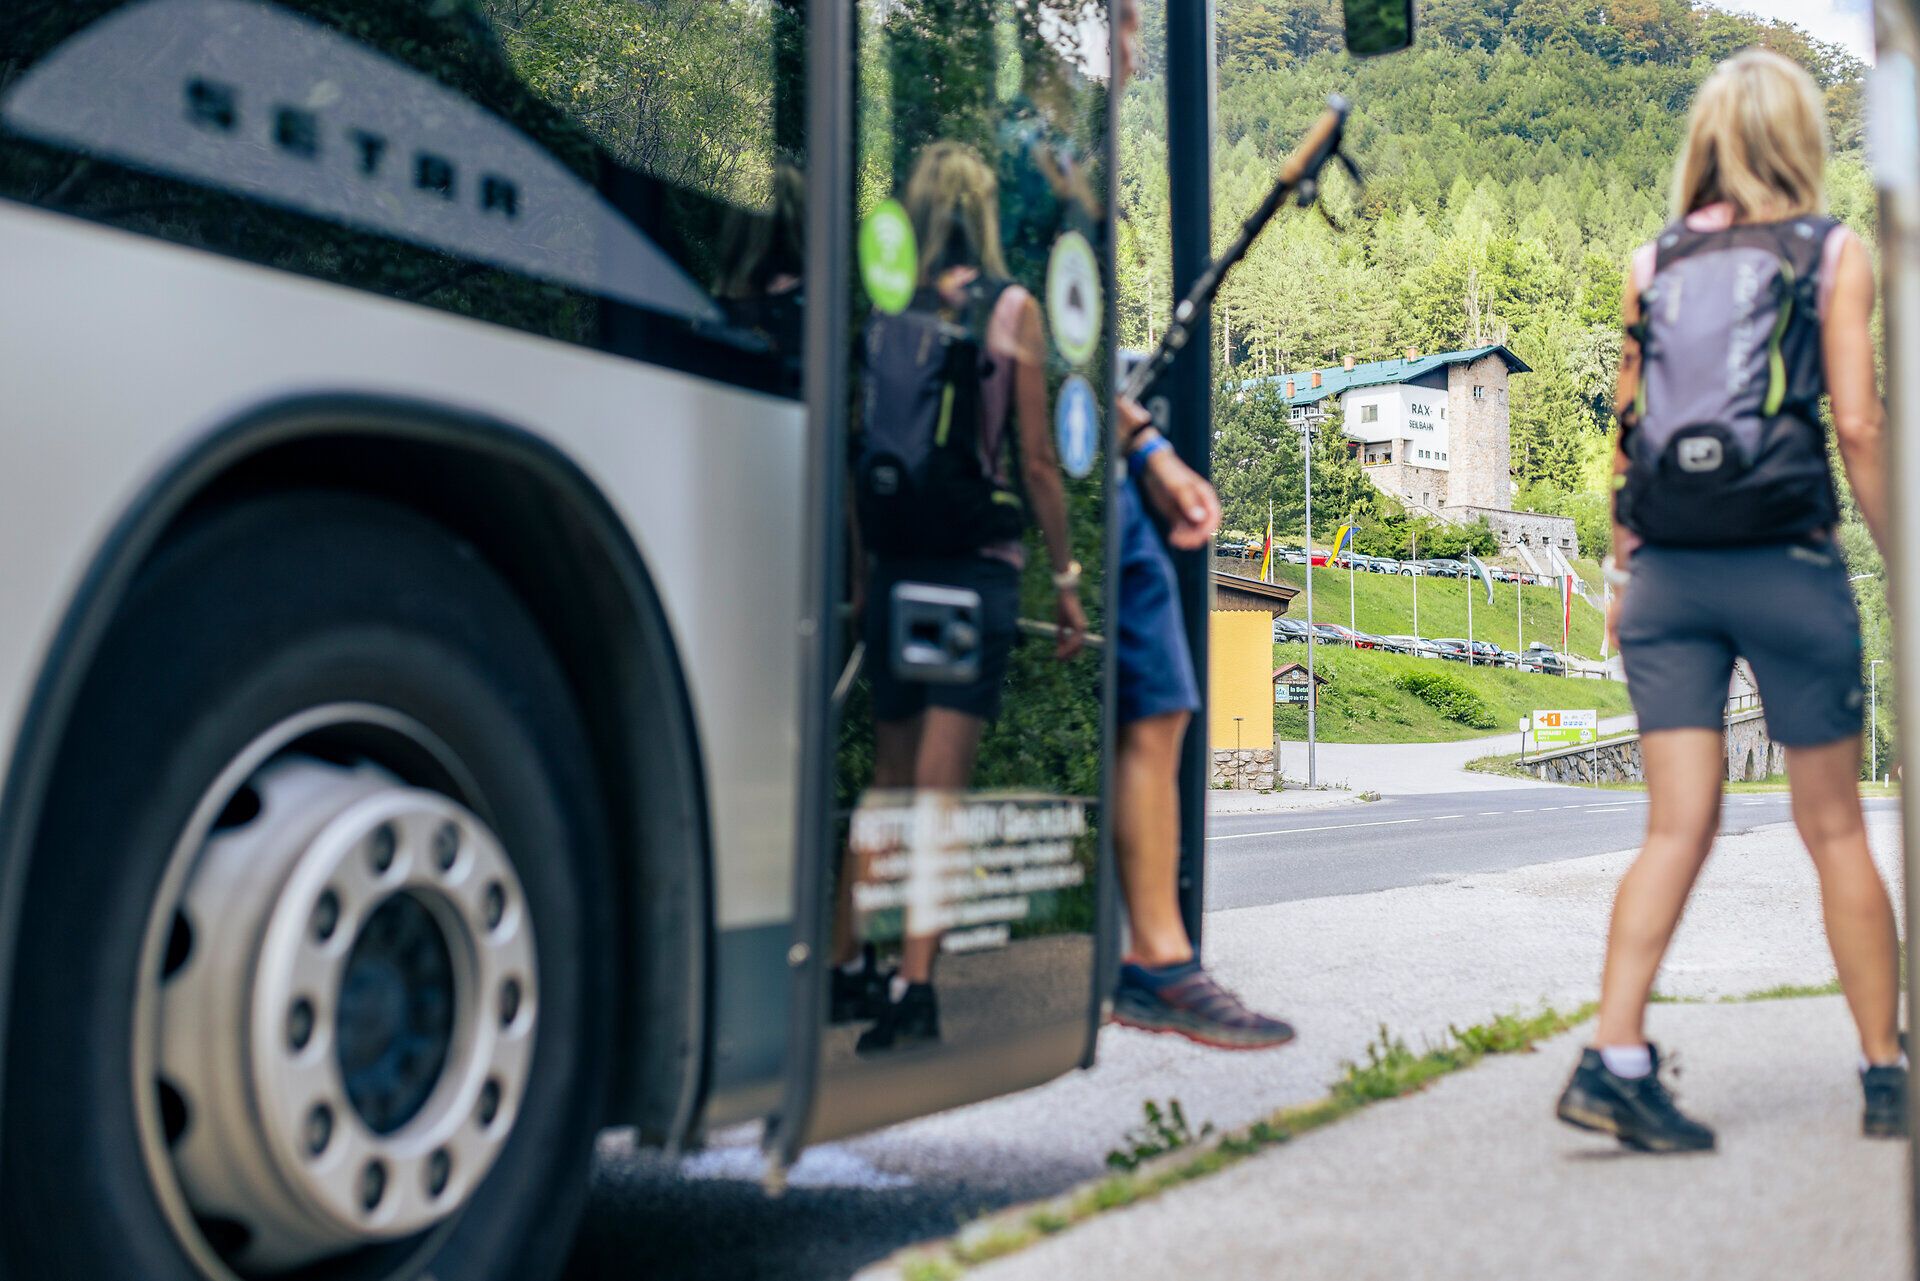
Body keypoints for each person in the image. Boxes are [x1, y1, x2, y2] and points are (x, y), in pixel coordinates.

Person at [1556, 49, 1902, 1152]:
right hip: (1784, 564)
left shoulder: (1650, 261)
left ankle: (1613, 1059)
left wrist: (1622, 575)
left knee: (1675, 825)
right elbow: (1858, 426)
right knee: (1835, 825)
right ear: (1799, 138)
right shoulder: (1831, 252)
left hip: (1664, 570)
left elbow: (1624, 432)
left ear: (1703, 140)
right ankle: (1886, 1074)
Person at [842, 139, 1087, 1053]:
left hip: (899, 565)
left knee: (889, 782)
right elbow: (1032, 459)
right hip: (969, 569)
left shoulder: (887, 312)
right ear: (983, 216)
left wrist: (866, 576)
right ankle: (913, 987)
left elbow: (863, 453)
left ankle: (845, 964)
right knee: (938, 794)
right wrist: (1063, 579)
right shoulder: (1012, 309)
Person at [1102, 0, 1293, 1050]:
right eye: (1122, 18)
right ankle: (1156, 959)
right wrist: (1140, 450)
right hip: (1055, 460)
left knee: (1163, 704)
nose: (1135, 38)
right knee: (1155, 699)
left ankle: (1159, 957)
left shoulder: (1072, 160)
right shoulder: (1040, 156)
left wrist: (1146, 451)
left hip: (1097, 453)